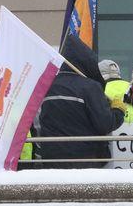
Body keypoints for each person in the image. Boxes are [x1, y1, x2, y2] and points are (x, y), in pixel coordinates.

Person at [38, 34, 121, 168]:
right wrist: (118, 111)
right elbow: (105, 123)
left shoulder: (47, 86)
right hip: (85, 160)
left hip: (51, 160)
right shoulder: (90, 87)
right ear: (86, 62)